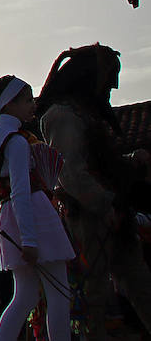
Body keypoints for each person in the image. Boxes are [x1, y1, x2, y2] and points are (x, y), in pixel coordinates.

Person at [36, 44, 151, 341]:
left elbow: (93, 163)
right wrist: (105, 205)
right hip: (87, 220)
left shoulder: (85, 113)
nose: (114, 84)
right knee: (93, 295)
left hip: (112, 214)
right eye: (110, 76)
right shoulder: (61, 115)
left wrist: (128, 163)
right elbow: (71, 173)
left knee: (140, 284)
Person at [0, 75, 75, 341]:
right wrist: (30, 239)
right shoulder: (18, 140)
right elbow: (22, 191)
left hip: (7, 218)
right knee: (59, 292)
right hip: (33, 215)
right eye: (26, 100)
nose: (32, 105)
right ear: (9, 104)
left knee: (23, 297)